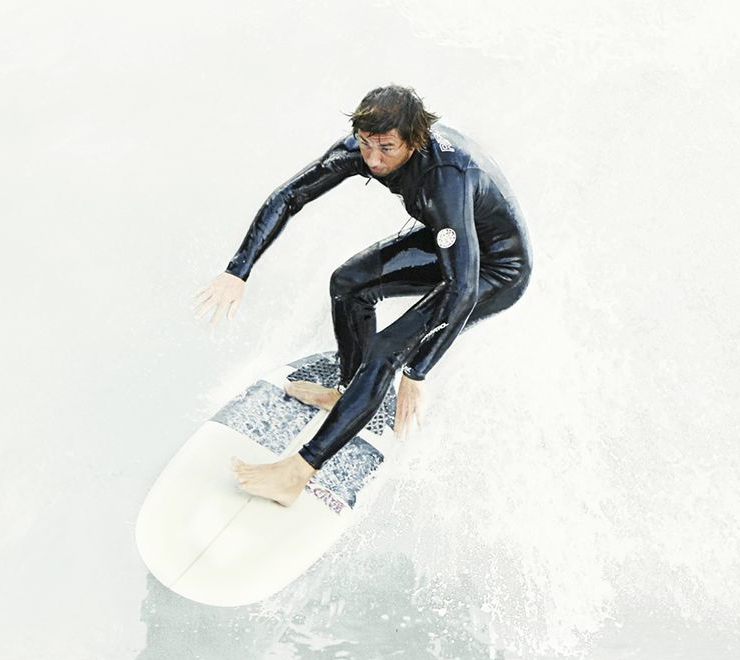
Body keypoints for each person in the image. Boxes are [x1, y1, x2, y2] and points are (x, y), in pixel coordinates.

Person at [194, 85, 532, 506]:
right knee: (348, 284)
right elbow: (290, 195)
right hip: (451, 240)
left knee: (390, 348)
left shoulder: (445, 179)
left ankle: (297, 473)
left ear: (415, 140)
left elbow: (462, 287)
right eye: (365, 144)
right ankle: (349, 390)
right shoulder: (367, 145)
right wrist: (238, 270)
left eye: (387, 149)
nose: (373, 160)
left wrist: (418, 370)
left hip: (496, 270)